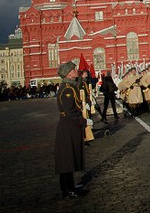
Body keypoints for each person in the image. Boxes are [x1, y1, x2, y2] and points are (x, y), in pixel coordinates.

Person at [55, 61, 89, 198]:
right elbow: (70, 111)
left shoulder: (67, 86)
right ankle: (68, 189)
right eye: (74, 69)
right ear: (69, 73)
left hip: (67, 126)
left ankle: (67, 187)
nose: (76, 70)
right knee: (67, 159)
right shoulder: (68, 88)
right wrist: (84, 121)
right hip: (68, 127)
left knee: (66, 158)